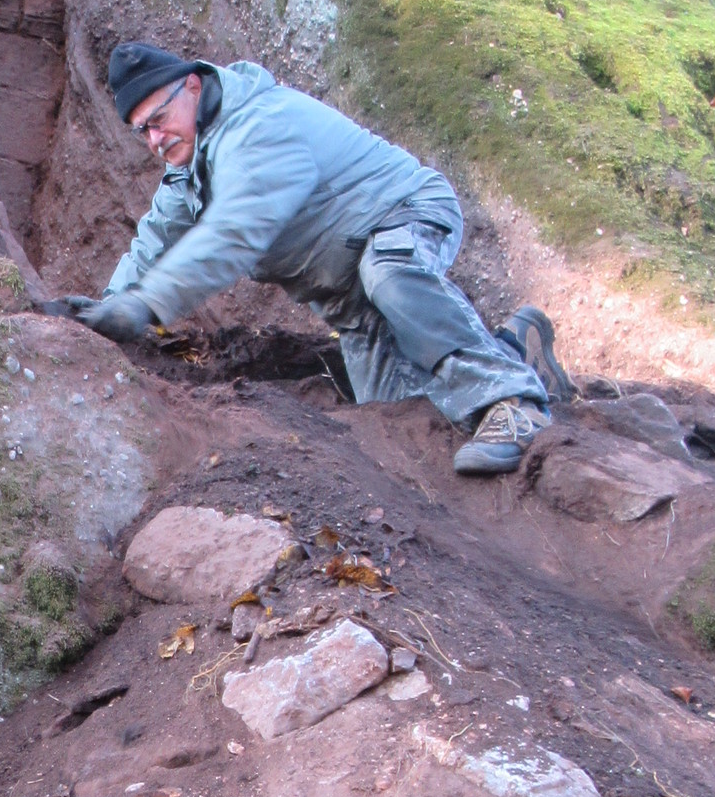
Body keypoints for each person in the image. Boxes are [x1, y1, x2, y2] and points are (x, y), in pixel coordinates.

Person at [53, 43, 571, 474]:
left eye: (159, 120)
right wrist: (110, 304)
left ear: (192, 85)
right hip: (351, 299)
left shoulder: (259, 126)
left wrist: (146, 306)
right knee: (396, 418)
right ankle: (517, 350)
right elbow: (156, 236)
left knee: (389, 271)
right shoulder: (188, 165)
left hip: (405, 214)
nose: (153, 139)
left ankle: (514, 402)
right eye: (142, 130)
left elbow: (235, 233)